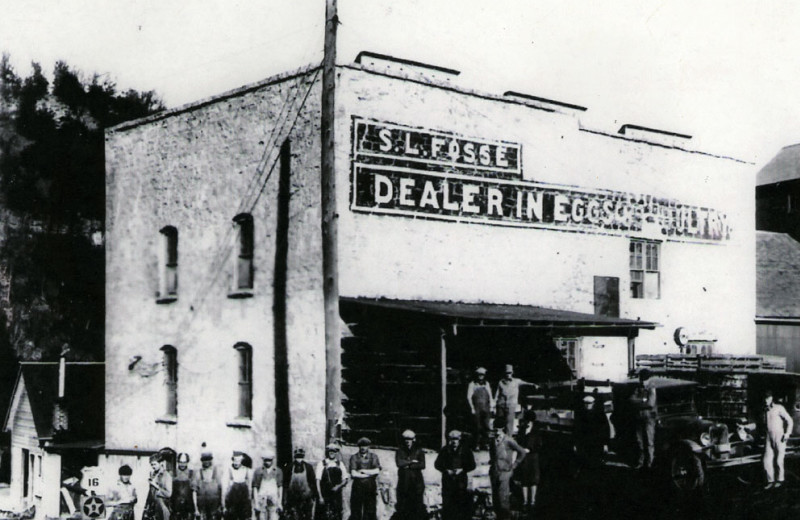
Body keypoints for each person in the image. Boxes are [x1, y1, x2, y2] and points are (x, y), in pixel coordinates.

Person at [434, 430, 476, 520]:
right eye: (452, 439)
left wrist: (462, 470)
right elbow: (437, 464)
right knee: (448, 505)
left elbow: (472, 465)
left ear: (460, 439)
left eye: (456, 439)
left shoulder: (466, 450)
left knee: (460, 504)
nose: (454, 441)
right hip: (448, 482)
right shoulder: (445, 450)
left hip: (460, 481)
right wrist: (446, 470)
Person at [489, 426, 526, 520]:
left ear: (502, 429)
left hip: (505, 472)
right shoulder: (492, 440)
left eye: (498, 429)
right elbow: (492, 453)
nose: (496, 431)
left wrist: (515, 465)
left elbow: (522, 452)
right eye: (495, 429)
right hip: (494, 471)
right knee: (495, 499)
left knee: (503, 500)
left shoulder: (509, 440)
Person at [494, 365, 538, 436]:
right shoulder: (501, 382)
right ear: (505, 373)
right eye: (507, 373)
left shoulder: (516, 381)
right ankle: (500, 440)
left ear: (512, 373)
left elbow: (525, 383)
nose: (508, 375)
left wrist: (533, 385)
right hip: (501, 405)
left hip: (511, 405)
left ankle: (508, 440)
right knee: (500, 424)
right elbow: (497, 394)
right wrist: (494, 403)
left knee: (509, 424)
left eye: (510, 373)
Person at [763, 389, 793, 489]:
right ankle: (770, 481)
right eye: (764, 398)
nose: (765, 400)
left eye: (767, 398)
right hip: (768, 436)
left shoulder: (779, 408)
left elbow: (790, 421)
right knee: (767, 460)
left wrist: (787, 434)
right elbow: (761, 425)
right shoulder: (765, 410)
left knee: (779, 460)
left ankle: (780, 480)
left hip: (779, 436)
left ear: (771, 398)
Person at [394, 430, 426, 520]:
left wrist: (407, 465)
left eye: (409, 439)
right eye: (405, 439)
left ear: (414, 440)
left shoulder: (419, 451)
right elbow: (399, 463)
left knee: (417, 505)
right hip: (404, 483)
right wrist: (412, 461)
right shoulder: (400, 451)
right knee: (403, 506)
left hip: (417, 483)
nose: (407, 441)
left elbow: (422, 465)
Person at [574, 395, 611, 472]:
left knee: (596, 465)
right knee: (585, 465)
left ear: (593, 403)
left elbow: (605, 430)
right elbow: (577, 430)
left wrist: (605, 444)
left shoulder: (600, 415)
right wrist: (575, 444)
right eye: (585, 403)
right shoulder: (580, 415)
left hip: (596, 444)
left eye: (589, 403)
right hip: (584, 444)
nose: (587, 405)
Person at [349, 437, 382, 520]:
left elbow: (377, 471)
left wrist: (363, 471)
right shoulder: (354, 457)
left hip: (370, 486)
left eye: (365, 446)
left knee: (370, 509)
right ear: (359, 447)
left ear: (368, 447)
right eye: (361, 446)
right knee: (356, 509)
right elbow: (353, 473)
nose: (363, 448)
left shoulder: (373, 456)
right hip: (358, 486)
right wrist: (369, 474)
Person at [514, 415, 542, 513]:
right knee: (524, 480)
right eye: (527, 422)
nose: (528, 423)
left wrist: (530, 450)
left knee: (533, 480)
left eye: (529, 422)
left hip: (533, 458)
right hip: (524, 458)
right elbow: (518, 443)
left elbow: (539, 446)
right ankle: (525, 502)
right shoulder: (521, 432)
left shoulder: (536, 433)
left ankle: (532, 502)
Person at [281, 447, 317, 520]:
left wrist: (313, 496)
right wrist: (285, 498)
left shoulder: (308, 467)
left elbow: (313, 482)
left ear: (303, 456)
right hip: (293, 498)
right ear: (295, 457)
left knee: (307, 517)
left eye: (300, 456)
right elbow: (285, 484)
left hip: (306, 498)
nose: (299, 459)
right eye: (297, 456)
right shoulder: (290, 467)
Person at [315, 444, 349, 520]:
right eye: (330, 451)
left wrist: (338, 486)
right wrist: (320, 496)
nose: (332, 453)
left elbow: (345, 479)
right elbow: (317, 481)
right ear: (327, 452)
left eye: (334, 451)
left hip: (336, 495)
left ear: (336, 452)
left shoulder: (340, 464)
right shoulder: (321, 464)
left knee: (336, 515)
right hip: (324, 494)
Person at [633, 369, 657, 469]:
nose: (642, 381)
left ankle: (650, 463)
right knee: (639, 441)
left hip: (649, 418)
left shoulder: (651, 388)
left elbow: (650, 403)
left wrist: (639, 402)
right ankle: (641, 461)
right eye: (641, 379)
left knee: (649, 441)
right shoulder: (638, 388)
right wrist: (642, 400)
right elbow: (631, 400)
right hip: (639, 417)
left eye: (644, 379)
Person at [467, 367, 495, 449]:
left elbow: (490, 396)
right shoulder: (472, 384)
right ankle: (477, 444)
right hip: (476, 408)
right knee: (477, 426)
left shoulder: (487, 384)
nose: (481, 376)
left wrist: (492, 406)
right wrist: (472, 408)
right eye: (479, 375)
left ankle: (486, 444)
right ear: (476, 375)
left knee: (486, 426)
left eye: (482, 375)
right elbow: (468, 397)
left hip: (486, 407)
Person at [223, 451, 252, 520]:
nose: (236, 463)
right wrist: (224, 502)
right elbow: (226, 487)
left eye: (238, 461)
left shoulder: (246, 470)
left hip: (244, 499)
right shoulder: (229, 470)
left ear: (241, 461)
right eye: (235, 461)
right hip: (233, 499)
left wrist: (250, 499)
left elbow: (250, 486)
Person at [253, 452, 282, 520]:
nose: (267, 462)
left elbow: (280, 487)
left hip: (273, 500)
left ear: (272, 460)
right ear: (263, 460)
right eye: (266, 460)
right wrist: (256, 503)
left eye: (269, 460)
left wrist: (280, 503)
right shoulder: (258, 471)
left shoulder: (278, 471)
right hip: (262, 500)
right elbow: (255, 487)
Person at [194, 450, 223, 520]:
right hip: (202, 508)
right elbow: (194, 492)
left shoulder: (217, 472)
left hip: (214, 508)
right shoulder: (198, 473)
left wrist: (221, 505)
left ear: (211, 460)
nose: (206, 462)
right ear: (202, 461)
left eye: (208, 459)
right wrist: (196, 508)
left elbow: (221, 489)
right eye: (204, 460)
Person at [143, 453, 173, 520]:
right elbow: (150, 491)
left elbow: (169, 494)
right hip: (153, 506)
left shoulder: (166, 475)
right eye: (152, 465)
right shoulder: (153, 474)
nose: (153, 467)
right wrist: (146, 505)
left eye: (155, 464)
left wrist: (156, 486)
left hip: (162, 506)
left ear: (161, 463)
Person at [172, 453, 196, 520]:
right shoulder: (173, 473)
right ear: (177, 462)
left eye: (184, 462)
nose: (182, 464)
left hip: (188, 508)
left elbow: (194, 491)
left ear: (187, 462)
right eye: (180, 462)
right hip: (176, 507)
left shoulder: (191, 473)